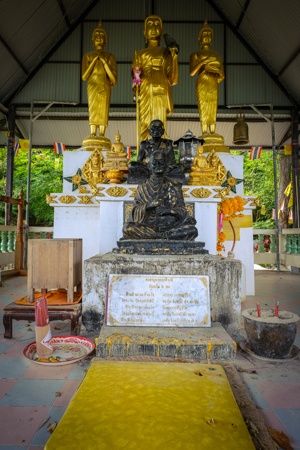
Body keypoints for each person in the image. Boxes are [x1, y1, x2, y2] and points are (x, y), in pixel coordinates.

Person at [123, 150, 198, 240]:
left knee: (193, 230)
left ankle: (159, 236)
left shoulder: (175, 186)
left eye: (161, 162)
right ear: (149, 166)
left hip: (171, 227)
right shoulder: (142, 187)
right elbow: (135, 212)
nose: (158, 165)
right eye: (155, 162)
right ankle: (163, 237)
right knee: (127, 228)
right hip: (149, 227)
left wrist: (169, 210)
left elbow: (183, 212)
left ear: (166, 165)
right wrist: (148, 206)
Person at [133, 15, 179, 141]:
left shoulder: (167, 52)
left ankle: (160, 141)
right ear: (144, 32)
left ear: (162, 31)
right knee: (146, 123)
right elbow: (136, 77)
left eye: (156, 25)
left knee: (159, 120)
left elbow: (173, 80)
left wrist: (174, 58)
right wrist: (136, 75)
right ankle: (145, 144)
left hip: (162, 88)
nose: (153, 28)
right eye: (150, 25)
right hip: (146, 89)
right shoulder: (140, 54)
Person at [82, 21, 117, 138]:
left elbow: (113, 80)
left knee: (103, 108)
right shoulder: (87, 56)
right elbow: (84, 76)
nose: (99, 38)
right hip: (92, 85)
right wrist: (94, 60)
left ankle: (102, 133)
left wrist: (103, 61)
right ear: (92, 39)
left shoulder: (110, 56)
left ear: (106, 41)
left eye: (102, 36)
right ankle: (92, 132)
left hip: (104, 85)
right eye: (96, 35)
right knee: (92, 108)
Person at [190, 21, 224, 136]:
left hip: (213, 81)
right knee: (203, 104)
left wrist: (216, 71)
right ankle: (204, 131)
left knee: (213, 105)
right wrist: (203, 63)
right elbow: (192, 72)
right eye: (204, 34)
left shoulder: (217, 55)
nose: (207, 37)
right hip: (202, 80)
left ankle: (213, 131)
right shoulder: (196, 54)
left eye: (209, 34)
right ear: (199, 38)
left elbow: (221, 75)